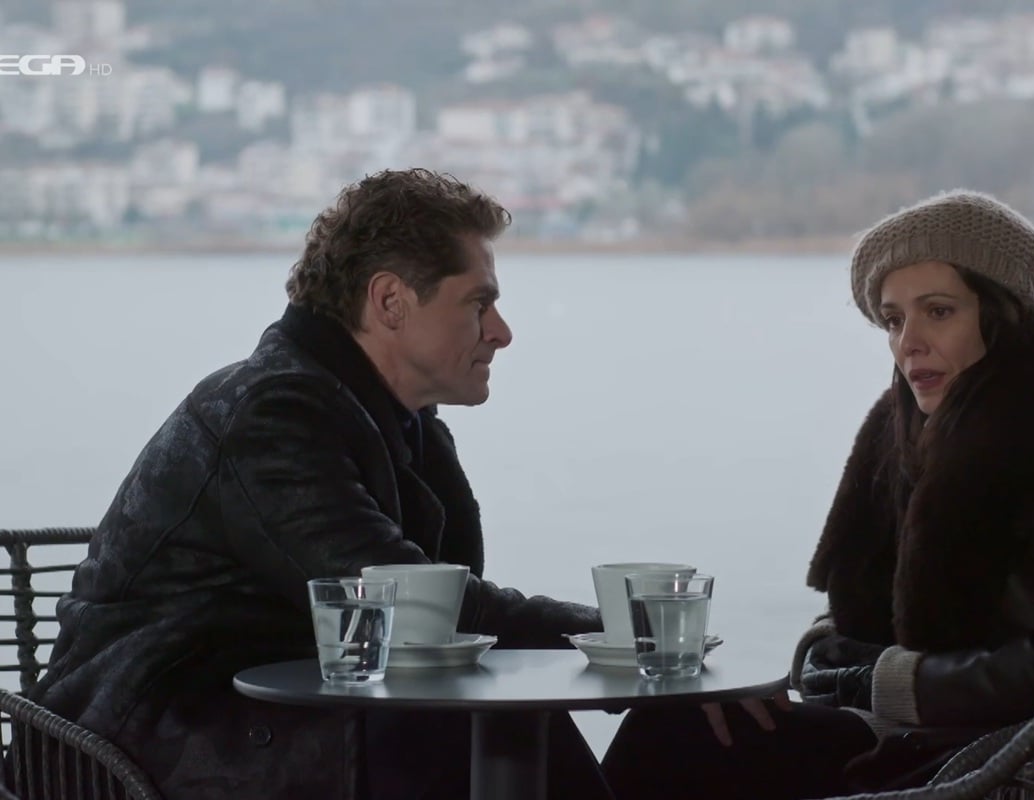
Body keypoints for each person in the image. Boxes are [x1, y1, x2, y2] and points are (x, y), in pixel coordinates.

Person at [29, 168, 613, 800]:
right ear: (390, 302)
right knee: (474, 729)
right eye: (478, 303)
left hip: (282, 729)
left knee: (667, 726)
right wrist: (621, 635)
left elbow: (439, 621)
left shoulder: (397, 421)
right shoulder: (275, 414)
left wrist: (636, 647)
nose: (501, 331)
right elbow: (412, 607)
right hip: (148, 754)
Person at [602, 189, 1034, 798]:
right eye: (893, 319)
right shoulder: (916, 428)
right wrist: (832, 654)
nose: (909, 341)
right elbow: (886, 602)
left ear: (1003, 315)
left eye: (938, 311)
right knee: (677, 721)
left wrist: (892, 681)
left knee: (674, 741)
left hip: (1026, 758)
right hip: (925, 733)